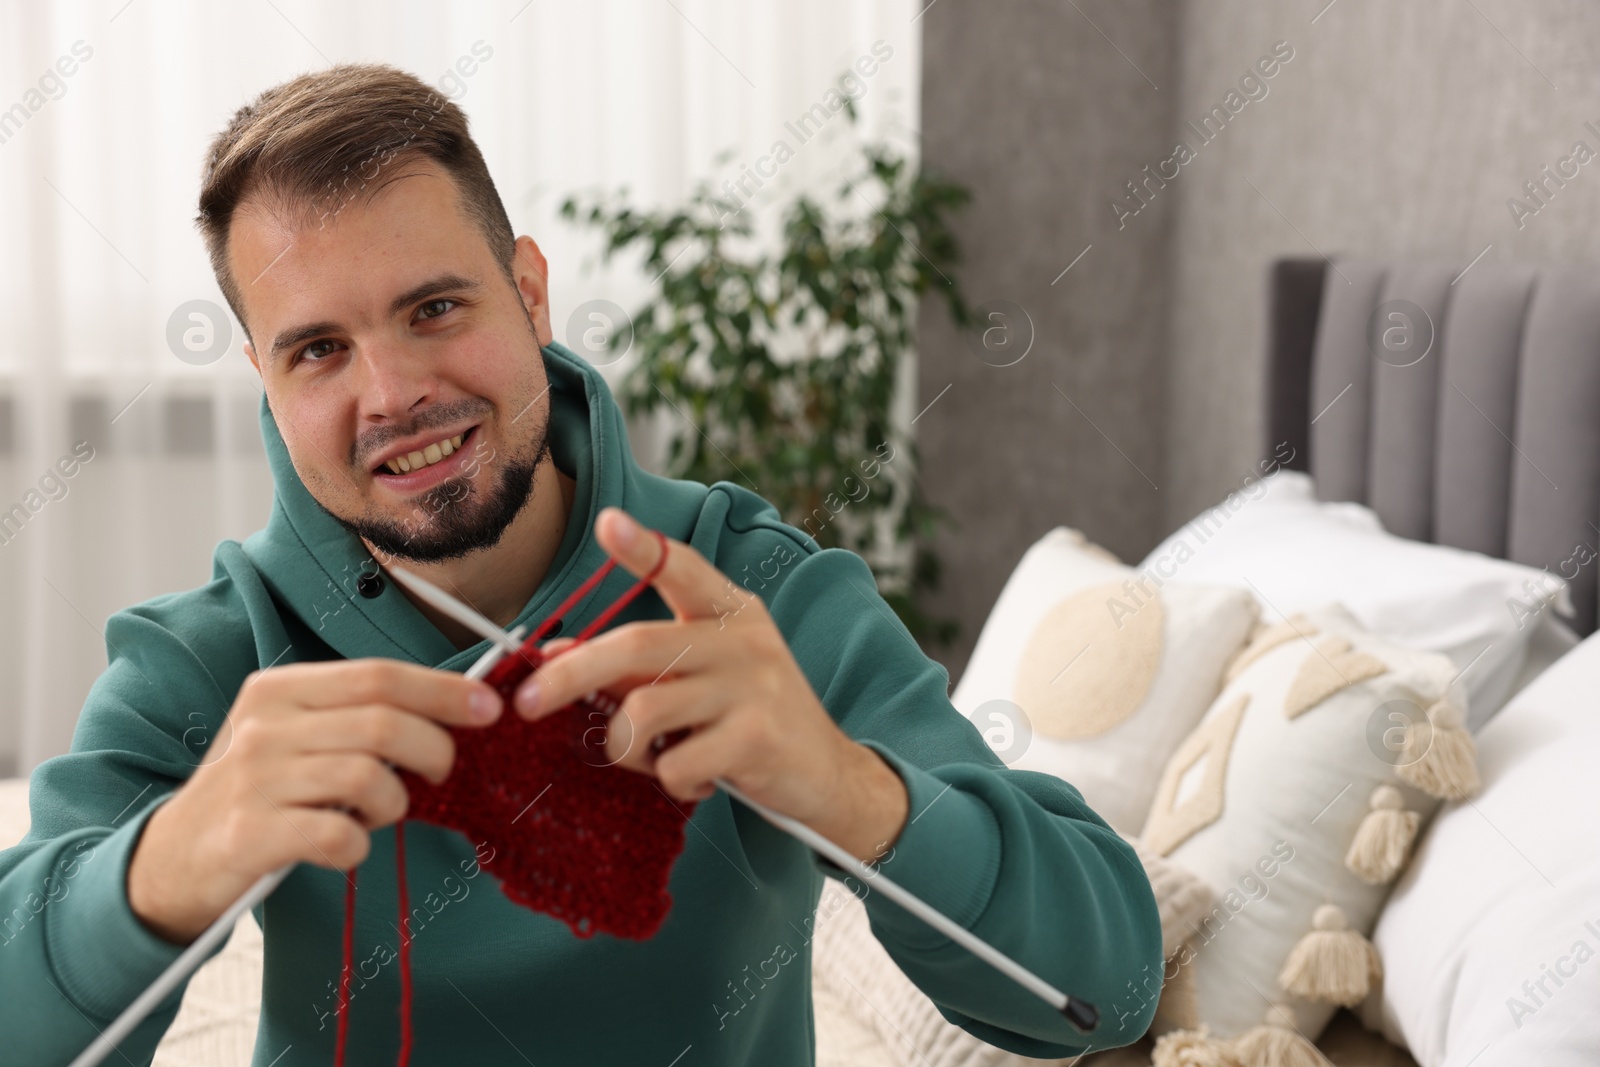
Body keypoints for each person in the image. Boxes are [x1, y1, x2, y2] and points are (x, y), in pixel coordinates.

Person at [0, 63, 1161, 1066]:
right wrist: (156, 873)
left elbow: (1100, 990)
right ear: (263, 375)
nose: (392, 393)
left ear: (531, 292)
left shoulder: (759, 596)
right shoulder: (203, 660)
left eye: (435, 307)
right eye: (318, 350)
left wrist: (850, 789)